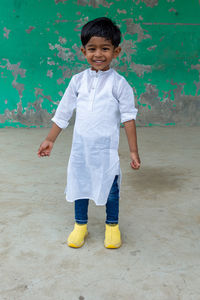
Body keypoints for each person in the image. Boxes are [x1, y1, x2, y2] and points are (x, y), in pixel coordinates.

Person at [37, 17, 140, 249]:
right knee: (80, 185)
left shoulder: (119, 84)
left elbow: (128, 119)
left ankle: (112, 226)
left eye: (105, 48)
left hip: (106, 151)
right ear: (83, 51)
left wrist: (133, 151)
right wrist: (49, 139)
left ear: (117, 51)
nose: (98, 54)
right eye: (92, 49)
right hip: (81, 150)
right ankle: (80, 225)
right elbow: (63, 112)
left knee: (111, 190)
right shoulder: (77, 81)